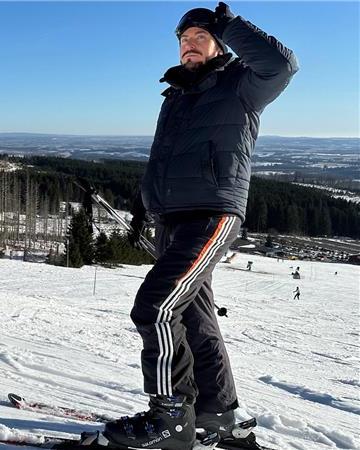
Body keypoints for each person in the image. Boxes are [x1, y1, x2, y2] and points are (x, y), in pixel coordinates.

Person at [105, 3, 298, 449]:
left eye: (200, 37)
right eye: (183, 39)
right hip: (171, 216)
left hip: (212, 213)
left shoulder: (240, 84)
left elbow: (283, 65)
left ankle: (171, 417)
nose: (189, 45)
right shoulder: (177, 94)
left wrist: (231, 25)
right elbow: (166, 157)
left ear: (219, 45)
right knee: (193, 316)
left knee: (156, 306)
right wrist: (144, 202)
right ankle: (219, 413)